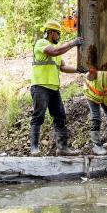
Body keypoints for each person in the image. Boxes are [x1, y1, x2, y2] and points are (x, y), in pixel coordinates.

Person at [30, 19, 84, 156]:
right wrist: (72, 43)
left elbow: (63, 67)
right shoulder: (41, 43)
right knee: (38, 115)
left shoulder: (57, 49)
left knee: (60, 116)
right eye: (57, 34)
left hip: (53, 88)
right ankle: (34, 148)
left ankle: (62, 148)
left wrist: (79, 70)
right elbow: (54, 52)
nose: (59, 37)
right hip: (40, 86)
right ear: (51, 33)